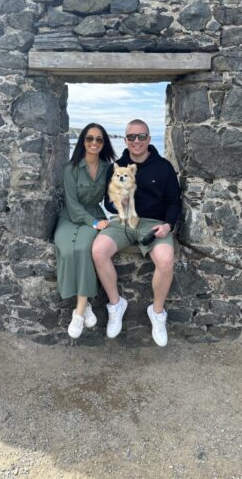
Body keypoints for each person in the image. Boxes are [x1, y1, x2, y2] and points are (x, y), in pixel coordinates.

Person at [92, 119, 181, 347]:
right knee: (99, 251)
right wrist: (117, 204)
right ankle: (116, 304)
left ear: (149, 139)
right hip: (123, 221)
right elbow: (109, 202)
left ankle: (157, 313)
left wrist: (168, 225)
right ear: (126, 140)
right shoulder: (118, 166)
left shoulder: (163, 167)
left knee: (166, 259)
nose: (136, 141)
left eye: (141, 136)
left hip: (152, 223)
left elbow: (174, 201)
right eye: (132, 137)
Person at [54, 123, 116, 339]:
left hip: (96, 216)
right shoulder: (70, 169)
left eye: (99, 139)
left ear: (103, 143)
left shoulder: (109, 169)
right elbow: (72, 204)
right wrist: (93, 223)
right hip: (71, 217)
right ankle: (86, 302)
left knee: (82, 248)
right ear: (82, 141)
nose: (94, 143)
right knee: (68, 251)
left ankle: (78, 312)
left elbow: (114, 197)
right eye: (90, 138)